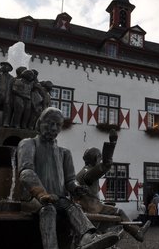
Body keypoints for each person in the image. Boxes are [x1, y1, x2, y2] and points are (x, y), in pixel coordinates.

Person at [17, 107, 119, 249]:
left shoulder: (64, 153)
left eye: (57, 125)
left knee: (73, 206)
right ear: (39, 122)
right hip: (33, 198)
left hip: (58, 198)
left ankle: (87, 238)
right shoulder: (28, 143)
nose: (53, 128)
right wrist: (41, 194)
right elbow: (26, 171)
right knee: (49, 210)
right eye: (49, 123)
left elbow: (70, 180)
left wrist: (76, 188)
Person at [74, 137, 150, 242]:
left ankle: (103, 233)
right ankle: (137, 233)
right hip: (92, 208)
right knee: (119, 212)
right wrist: (112, 145)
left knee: (114, 212)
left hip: (88, 206)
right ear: (96, 158)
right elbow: (103, 168)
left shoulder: (82, 172)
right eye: (99, 158)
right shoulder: (88, 173)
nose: (100, 161)